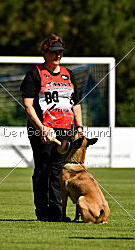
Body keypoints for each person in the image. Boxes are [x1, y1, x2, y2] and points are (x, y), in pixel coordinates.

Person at [20, 34, 83, 222]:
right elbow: (28, 106)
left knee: (56, 171)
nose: (58, 56)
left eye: (61, 52)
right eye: (54, 52)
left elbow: (76, 103)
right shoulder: (34, 74)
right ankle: (42, 212)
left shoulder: (68, 74)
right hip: (43, 130)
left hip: (65, 129)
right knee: (42, 170)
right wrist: (41, 128)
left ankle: (56, 213)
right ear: (45, 52)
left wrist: (79, 127)